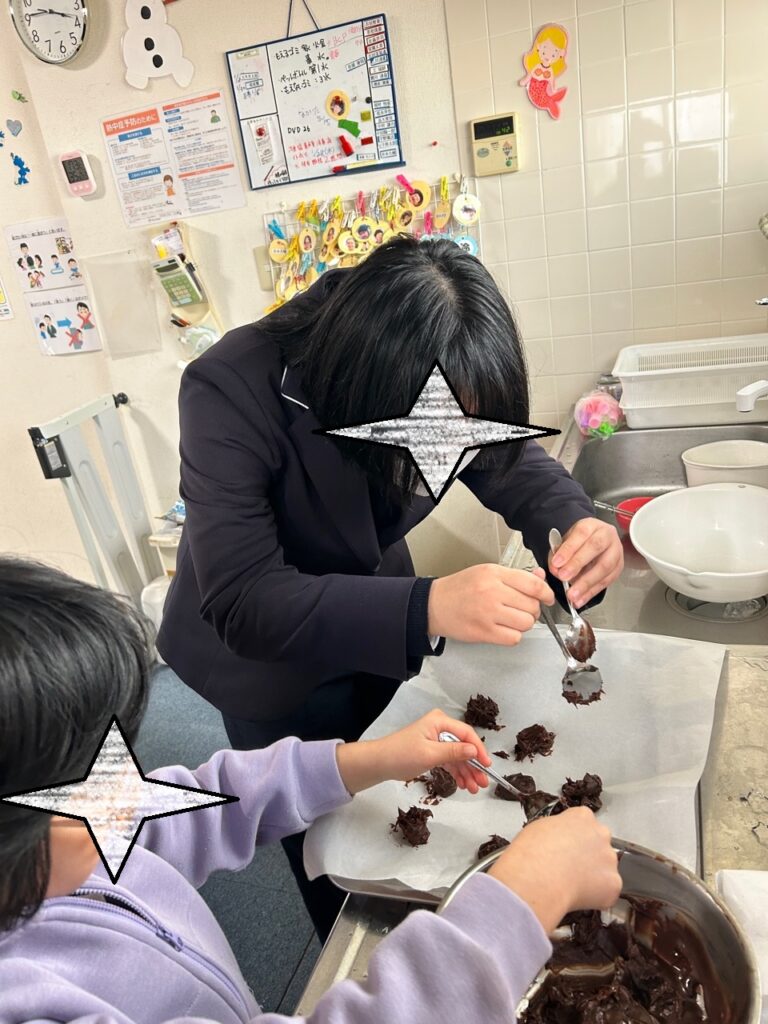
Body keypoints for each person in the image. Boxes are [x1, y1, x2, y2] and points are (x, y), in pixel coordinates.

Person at [158, 235, 623, 938]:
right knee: (330, 838)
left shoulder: (427, 348)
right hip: (264, 654)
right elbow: (245, 599)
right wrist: (429, 604)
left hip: (379, 617)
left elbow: (508, 458)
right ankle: (348, 946)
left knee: (419, 794)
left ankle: (450, 936)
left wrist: (576, 523)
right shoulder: (228, 387)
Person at [0, 557, 622, 1022]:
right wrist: (514, 907)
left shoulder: (76, 832)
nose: (119, 788)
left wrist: (365, 760)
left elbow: (197, 806)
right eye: (89, 772)